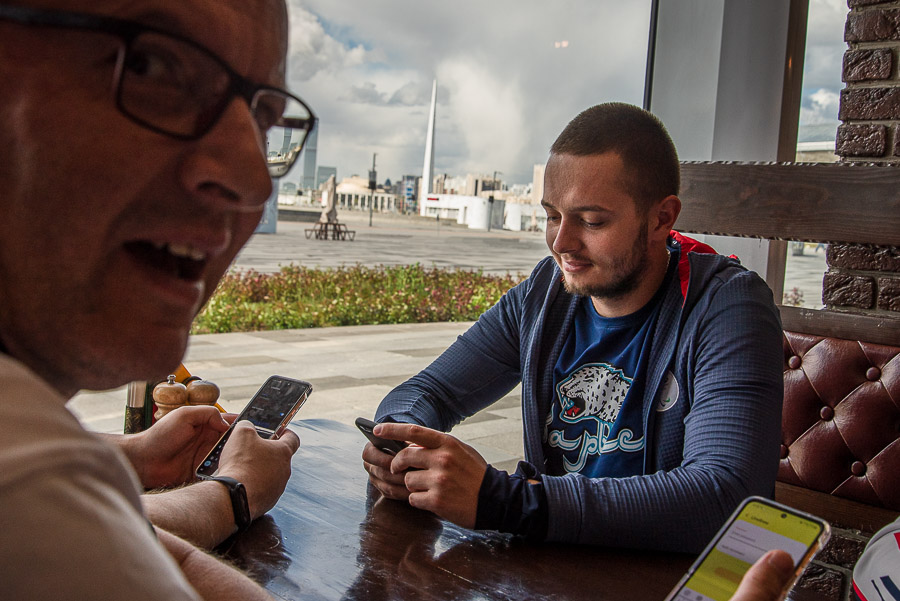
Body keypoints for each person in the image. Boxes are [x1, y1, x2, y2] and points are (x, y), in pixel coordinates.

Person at [362, 102, 784, 553]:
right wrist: (404, 443)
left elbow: (727, 497)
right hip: (552, 566)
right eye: (552, 216)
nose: (562, 243)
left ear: (661, 218)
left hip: (668, 578)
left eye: (591, 221)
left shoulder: (728, 306)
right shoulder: (544, 296)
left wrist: (508, 502)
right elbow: (427, 392)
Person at [0, 0, 314, 598]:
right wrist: (233, 492)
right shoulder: (22, 482)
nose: (253, 179)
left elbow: (103, 541)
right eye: (153, 66)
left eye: (264, 121)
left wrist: (129, 458)